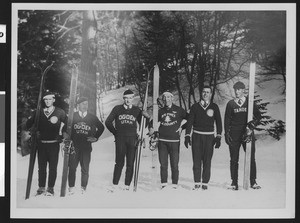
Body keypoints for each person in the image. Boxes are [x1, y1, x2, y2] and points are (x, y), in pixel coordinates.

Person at [105, 89, 151, 191]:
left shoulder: (136, 110)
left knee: (130, 163)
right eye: (126, 98)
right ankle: (115, 185)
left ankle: (127, 185)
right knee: (119, 162)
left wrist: (147, 117)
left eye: (130, 98)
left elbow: (144, 125)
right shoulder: (117, 109)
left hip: (132, 138)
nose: (128, 100)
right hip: (120, 138)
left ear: (133, 99)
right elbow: (108, 122)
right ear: (123, 98)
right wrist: (115, 132)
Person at [26, 91, 66, 196]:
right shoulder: (39, 112)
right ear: (44, 101)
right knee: (42, 167)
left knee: (53, 167)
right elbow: (28, 124)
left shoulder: (60, 112)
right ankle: (41, 188)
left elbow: (67, 124)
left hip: (54, 144)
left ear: (53, 100)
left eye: (50, 99)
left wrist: (62, 135)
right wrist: (33, 128)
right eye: (46, 100)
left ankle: (50, 188)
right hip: (41, 144)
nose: (48, 101)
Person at [224, 81, 262, 190]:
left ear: (243, 90)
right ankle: (234, 182)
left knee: (251, 158)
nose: (237, 91)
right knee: (234, 159)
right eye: (235, 89)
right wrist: (226, 133)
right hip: (234, 134)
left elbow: (258, 116)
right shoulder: (231, 103)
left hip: (247, 133)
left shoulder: (249, 102)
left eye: (239, 89)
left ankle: (253, 182)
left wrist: (252, 125)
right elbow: (227, 120)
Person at [184, 85, 222, 190]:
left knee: (207, 161)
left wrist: (218, 136)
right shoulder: (195, 107)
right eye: (204, 92)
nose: (205, 94)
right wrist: (187, 135)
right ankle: (197, 183)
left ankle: (205, 183)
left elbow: (219, 122)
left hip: (209, 137)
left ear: (210, 94)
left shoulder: (214, 107)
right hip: (196, 136)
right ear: (201, 93)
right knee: (196, 161)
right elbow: (190, 122)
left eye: (208, 92)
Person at [65, 97, 105, 194]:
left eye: (86, 104)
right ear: (78, 105)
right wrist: (66, 138)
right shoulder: (72, 116)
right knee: (72, 168)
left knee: (85, 169)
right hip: (74, 146)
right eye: (83, 104)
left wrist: (95, 137)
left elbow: (101, 127)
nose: (85, 106)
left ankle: (83, 188)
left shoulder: (92, 117)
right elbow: (64, 129)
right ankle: (71, 187)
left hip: (86, 147)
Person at [152, 91, 188, 190]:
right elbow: (152, 122)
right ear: (163, 99)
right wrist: (152, 128)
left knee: (174, 165)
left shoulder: (179, 110)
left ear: (172, 98)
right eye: (165, 97)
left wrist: (182, 127)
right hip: (162, 141)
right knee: (163, 164)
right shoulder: (160, 111)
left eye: (169, 97)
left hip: (174, 141)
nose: (167, 99)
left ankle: (174, 185)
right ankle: (164, 184)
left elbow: (189, 119)